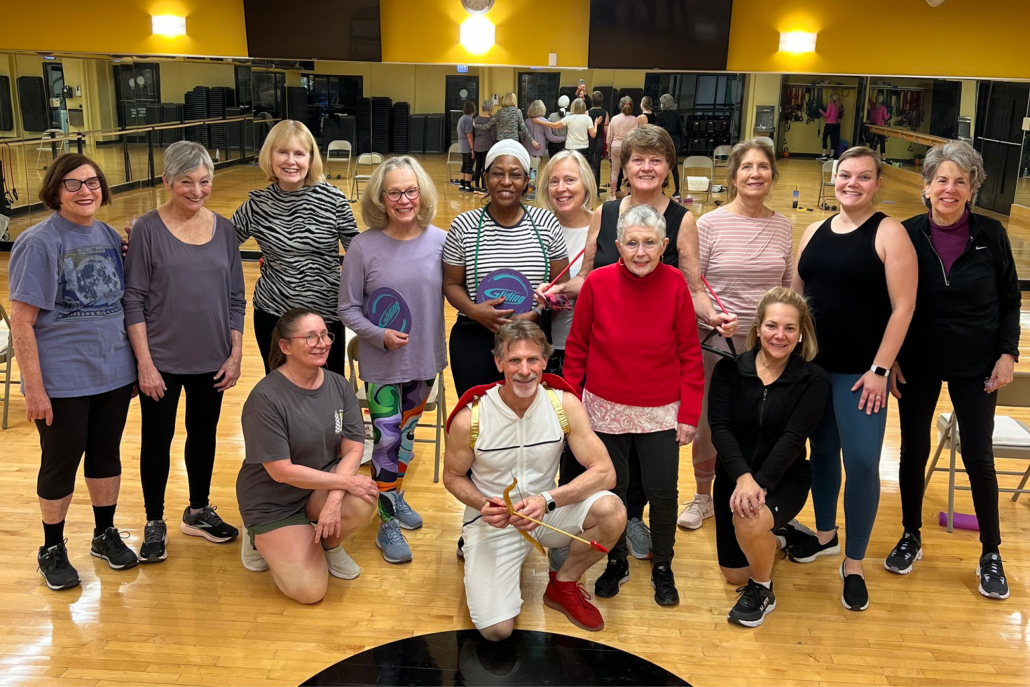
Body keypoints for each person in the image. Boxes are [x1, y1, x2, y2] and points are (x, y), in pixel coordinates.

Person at [541, 125, 737, 564]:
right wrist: (553, 291)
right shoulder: (605, 214)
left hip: (655, 368)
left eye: (656, 160)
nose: (646, 167)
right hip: (605, 358)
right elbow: (588, 276)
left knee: (650, 466)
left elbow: (692, 287)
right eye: (637, 160)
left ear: (669, 168)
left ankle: (633, 522)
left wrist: (712, 315)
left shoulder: (683, 219)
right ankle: (601, 527)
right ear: (623, 167)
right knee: (604, 460)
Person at [887, 141, 1019, 600]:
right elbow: (888, 302)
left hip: (977, 364)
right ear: (926, 187)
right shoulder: (905, 233)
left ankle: (991, 552)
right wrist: (891, 357)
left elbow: (1009, 300)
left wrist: (1008, 353)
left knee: (978, 456)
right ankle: (910, 534)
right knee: (914, 449)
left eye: (960, 181)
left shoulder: (992, 234)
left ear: (972, 189)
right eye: (941, 180)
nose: (949, 188)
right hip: (918, 361)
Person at [789, 146, 917, 611]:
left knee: (862, 462)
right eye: (846, 175)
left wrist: (881, 368)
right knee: (821, 451)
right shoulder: (813, 231)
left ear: (877, 184)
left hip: (862, 375)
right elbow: (795, 301)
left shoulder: (889, 233)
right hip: (814, 371)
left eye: (864, 177)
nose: (853, 183)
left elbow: (903, 308)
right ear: (834, 178)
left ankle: (854, 562)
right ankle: (824, 534)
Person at [443, 321, 625, 640]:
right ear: (498, 362)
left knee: (613, 511)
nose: (524, 371)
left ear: (544, 361)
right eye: (514, 360)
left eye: (532, 360)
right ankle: (480, 561)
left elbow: (605, 472)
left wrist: (547, 500)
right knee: (496, 631)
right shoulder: (470, 416)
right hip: (495, 520)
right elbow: (452, 477)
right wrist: (481, 504)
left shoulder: (562, 403)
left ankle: (563, 583)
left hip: (545, 512)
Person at [563, 203, 706, 606]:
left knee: (662, 492)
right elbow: (576, 349)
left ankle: (663, 565)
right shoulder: (597, 283)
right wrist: (572, 406)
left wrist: (690, 414)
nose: (640, 252)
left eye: (648, 243)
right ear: (618, 246)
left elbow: (690, 355)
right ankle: (617, 561)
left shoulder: (676, 283)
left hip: (660, 408)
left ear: (663, 245)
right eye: (631, 243)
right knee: (615, 491)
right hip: (603, 408)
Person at [8, 154, 139, 590]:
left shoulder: (105, 234)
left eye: (93, 182)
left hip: (114, 372)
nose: (86, 191)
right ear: (55, 191)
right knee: (61, 462)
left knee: (106, 455)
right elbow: (22, 319)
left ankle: (104, 534)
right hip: (63, 377)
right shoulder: (39, 241)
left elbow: (123, 302)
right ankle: (52, 547)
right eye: (73, 184)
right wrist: (34, 387)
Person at [122, 141, 245, 563]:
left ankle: (197, 510)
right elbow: (133, 298)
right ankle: (154, 520)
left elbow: (235, 298)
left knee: (204, 436)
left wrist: (235, 354)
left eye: (205, 181)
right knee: (157, 440)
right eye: (186, 182)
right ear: (167, 182)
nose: (196, 190)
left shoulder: (225, 230)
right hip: (161, 361)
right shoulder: (147, 231)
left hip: (212, 358)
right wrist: (144, 364)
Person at [679, 138, 793, 532]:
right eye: (747, 167)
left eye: (763, 167)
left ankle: (753, 493)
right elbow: (693, 286)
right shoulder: (708, 224)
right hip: (716, 341)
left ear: (773, 175)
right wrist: (713, 318)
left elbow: (788, 289)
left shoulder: (782, 227)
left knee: (761, 421)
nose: (755, 174)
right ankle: (702, 497)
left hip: (768, 346)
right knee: (713, 422)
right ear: (734, 176)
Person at [338, 156, 447, 564]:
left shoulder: (440, 241)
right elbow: (347, 309)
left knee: (406, 438)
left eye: (411, 190)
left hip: (424, 362)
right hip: (382, 365)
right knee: (385, 440)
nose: (404, 199)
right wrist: (378, 335)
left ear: (422, 193)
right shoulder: (363, 246)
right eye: (394, 192)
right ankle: (385, 523)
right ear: (380, 198)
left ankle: (395, 496)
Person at [236, 308, 378, 604]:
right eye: (311, 337)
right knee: (310, 592)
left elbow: (353, 447)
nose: (323, 343)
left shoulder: (338, 384)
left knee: (364, 498)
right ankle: (257, 537)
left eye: (326, 335)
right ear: (285, 346)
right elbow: (281, 472)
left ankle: (329, 544)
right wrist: (346, 484)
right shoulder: (265, 398)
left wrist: (336, 498)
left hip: (318, 487)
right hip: (273, 501)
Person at [710, 288, 829, 627]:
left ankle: (763, 590)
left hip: (783, 479)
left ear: (801, 332)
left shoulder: (813, 379)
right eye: (772, 326)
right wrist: (744, 478)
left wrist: (760, 484)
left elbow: (794, 438)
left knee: (749, 520)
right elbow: (721, 428)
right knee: (734, 574)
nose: (780, 335)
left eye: (790, 328)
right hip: (734, 477)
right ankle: (780, 536)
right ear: (758, 327)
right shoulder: (729, 371)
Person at [443, 140, 569, 397]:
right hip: (475, 337)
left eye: (515, 175)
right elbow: (451, 284)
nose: (506, 181)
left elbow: (562, 289)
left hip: (532, 340)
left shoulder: (546, 223)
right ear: (486, 177)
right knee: (478, 421)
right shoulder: (464, 225)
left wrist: (536, 312)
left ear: (526, 181)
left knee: (529, 422)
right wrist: (475, 311)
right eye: (498, 173)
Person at [232, 119, 357, 376]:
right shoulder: (258, 205)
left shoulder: (333, 199)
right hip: (274, 316)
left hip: (325, 316)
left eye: (299, 153)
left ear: (311, 159)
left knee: (328, 394)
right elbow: (218, 243)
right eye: (283, 152)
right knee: (281, 395)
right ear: (270, 156)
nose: (291, 161)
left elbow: (360, 251)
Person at [537, 150, 597, 377]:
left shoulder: (606, 227)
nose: (561, 188)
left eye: (570, 180)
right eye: (554, 181)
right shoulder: (536, 228)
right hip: (547, 348)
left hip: (596, 346)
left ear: (586, 185)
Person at [524, 100, 565, 197]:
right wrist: (565, 138)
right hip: (538, 151)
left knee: (528, 170)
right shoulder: (544, 121)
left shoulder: (526, 121)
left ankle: (528, 189)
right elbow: (551, 138)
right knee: (534, 171)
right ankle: (530, 192)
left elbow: (523, 137)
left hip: (527, 150)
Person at [473, 93, 539, 151]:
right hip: (513, 142)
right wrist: (532, 140)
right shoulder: (517, 111)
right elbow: (523, 128)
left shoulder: (500, 112)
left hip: (501, 142)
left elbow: (487, 126)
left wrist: (476, 125)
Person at [534, 98, 600, 156]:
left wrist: (540, 121)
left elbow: (554, 125)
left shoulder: (569, 118)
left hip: (570, 147)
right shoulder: (588, 118)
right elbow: (593, 134)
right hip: (584, 147)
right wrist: (596, 124)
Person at [655, 94, 686, 202]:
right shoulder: (676, 115)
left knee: (662, 165)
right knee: (674, 167)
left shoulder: (659, 116)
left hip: (664, 142)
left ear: (663, 104)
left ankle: (662, 190)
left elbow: (657, 132)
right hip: (675, 142)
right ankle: (677, 191)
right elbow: (681, 131)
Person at [606, 96, 638, 197]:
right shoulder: (634, 119)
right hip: (628, 147)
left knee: (614, 172)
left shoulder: (614, 119)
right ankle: (627, 193)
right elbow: (636, 136)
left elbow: (609, 137)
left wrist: (608, 151)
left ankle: (613, 194)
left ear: (620, 106)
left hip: (615, 146)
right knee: (626, 171)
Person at [586, 91, 610, 187]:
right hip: (600, 140)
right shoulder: (605, 113)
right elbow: (606, 130)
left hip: (589, 141)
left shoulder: (587, 112)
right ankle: (596, 190)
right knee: (597, 165)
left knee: (590, 166)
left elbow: (586, 129)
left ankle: (592, 189)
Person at [473, 100, 498, 192]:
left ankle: (476, 186)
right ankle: (484, 187)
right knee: (485, 166)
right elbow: (494, 135)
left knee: (478, 165)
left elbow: (474, 132)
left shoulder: (476, 119)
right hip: (487, 145)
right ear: (490, 108)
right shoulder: (491, 119)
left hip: (477, 144)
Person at [457, 101, 477, 192]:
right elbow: (469, 135)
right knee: (469, 165)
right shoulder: (469, 119)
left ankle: (462, 183)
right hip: (467, 145)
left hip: (461, 144)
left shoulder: (461, 118)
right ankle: (468, 184)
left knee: (464, 164)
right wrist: (472, 149)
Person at [820, 93, 843, 161]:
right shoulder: (838, 106)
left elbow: (827, 115)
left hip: (829, 124)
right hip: (835, 125)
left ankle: (824, 154)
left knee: (824, 138)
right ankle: (831, 155)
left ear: (832, 99)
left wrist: (821, 111)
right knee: (833, 140)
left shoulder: (830, 105)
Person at [867, 93, 890, 161]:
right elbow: (885, 118)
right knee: (882, 142)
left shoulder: (872, 105)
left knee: (873, 141)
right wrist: (888, 115)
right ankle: (883, 157)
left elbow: (868, 98)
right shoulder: (883, 108)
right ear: (882, 100)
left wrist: (870, 89)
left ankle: (872, 156)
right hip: (881, 128)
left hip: (872, 126)